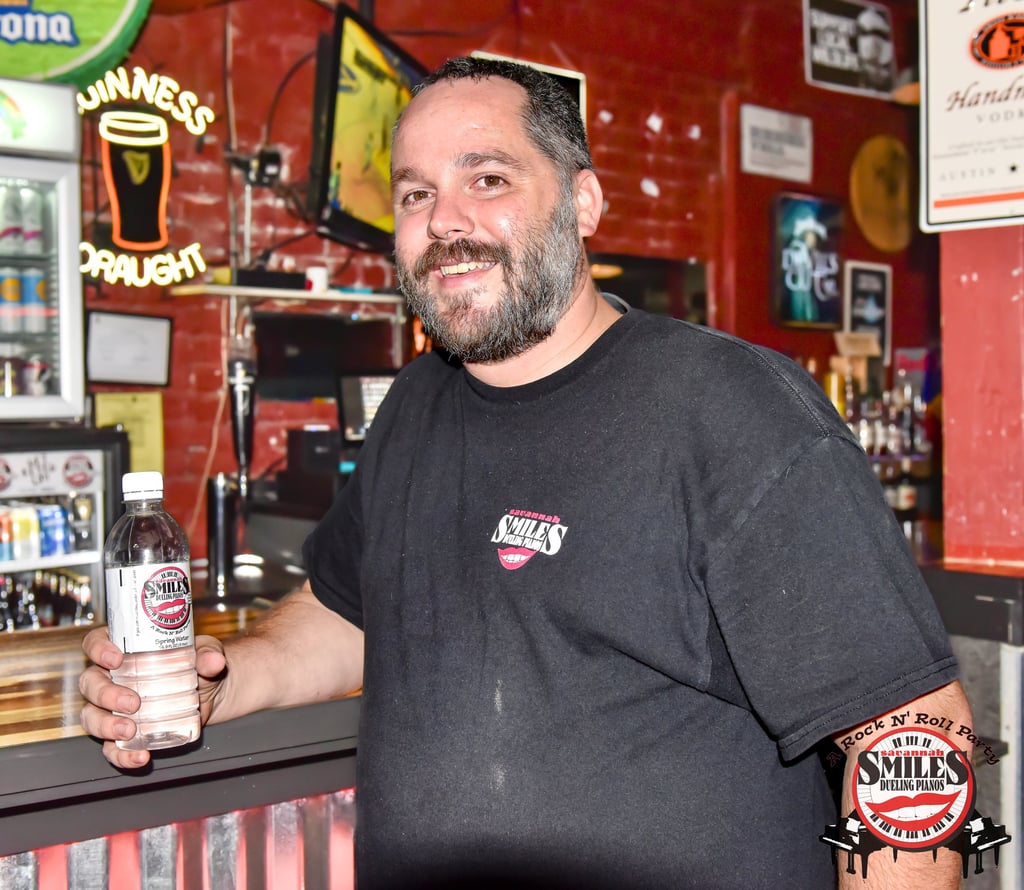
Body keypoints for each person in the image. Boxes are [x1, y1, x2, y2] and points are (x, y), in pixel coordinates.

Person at [81, 57, 972, 889]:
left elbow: (913, 739)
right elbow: (349, 609)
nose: (446, 220)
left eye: (488, 179)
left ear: (583, 202)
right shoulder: (416, 405)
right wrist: (220, 681)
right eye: (417, 193)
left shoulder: (730, 412)